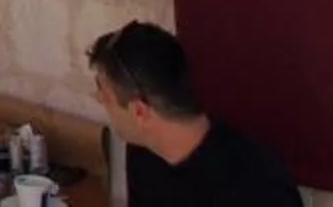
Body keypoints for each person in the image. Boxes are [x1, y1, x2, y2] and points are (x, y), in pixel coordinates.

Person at [88, 23, 304, 206]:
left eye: (104, 94)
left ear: (139, 111)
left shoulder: (260, 189)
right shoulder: (143, 152)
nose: (98, 98)